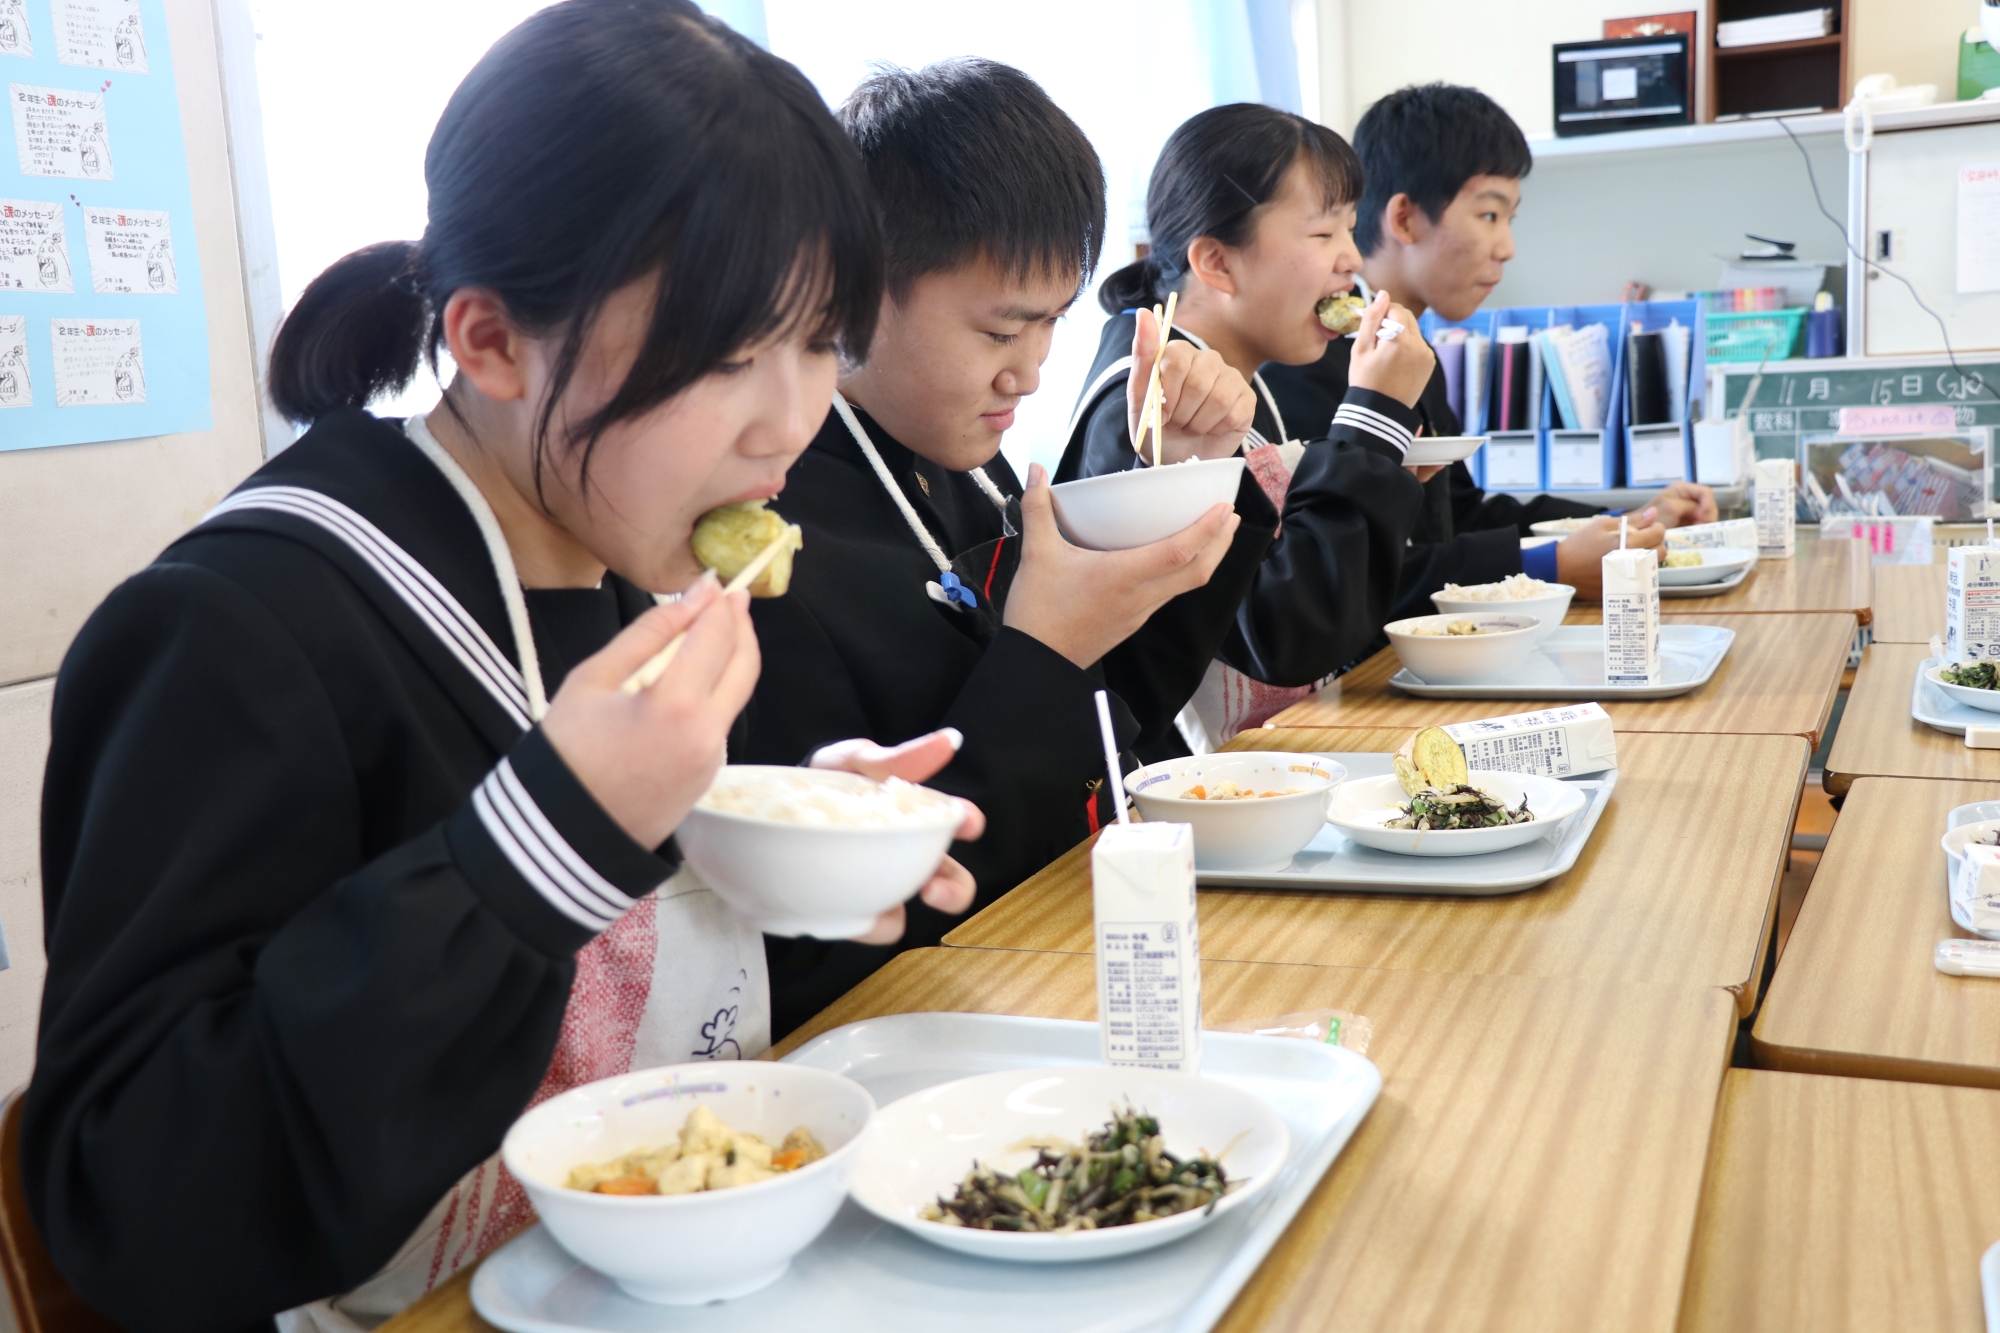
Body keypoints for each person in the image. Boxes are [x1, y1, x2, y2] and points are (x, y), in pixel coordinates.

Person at [23, 5, 978, 1327]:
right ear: (489, 343)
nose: (791, 418)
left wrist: (766, 847)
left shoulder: (606, 562)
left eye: (821, 341)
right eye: (727, 353)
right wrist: (555, 831)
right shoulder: (240, 624)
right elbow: (134, 1205)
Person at [742, 60, 1277, 1037]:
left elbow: (1115, 721)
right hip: (934, 1020)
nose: (1030, 370)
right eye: (1001, 327)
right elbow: (863, 924)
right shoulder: (766, 540)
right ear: (853, 292)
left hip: (1074, 958)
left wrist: (1192, 487)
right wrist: (1042, 652)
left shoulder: (972, 470)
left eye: (1051, 325)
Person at [1055, 103, 1438, 747]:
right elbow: (1285, 635)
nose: (1352, 259)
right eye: (1322, 235)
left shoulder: (1237, 376)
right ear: (1217, 263)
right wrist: (1370, 429)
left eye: (1349, 229)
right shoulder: (1152, 397)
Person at [1259, 83, 1717, 609]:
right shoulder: (1314, 356)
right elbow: (1342, 574)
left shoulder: (1411, 352)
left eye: (1510, 219)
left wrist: (1625, 521)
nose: (1506, 248)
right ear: (1404, 218)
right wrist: (1542, 565)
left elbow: (1459, 514)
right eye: (1488, 215)